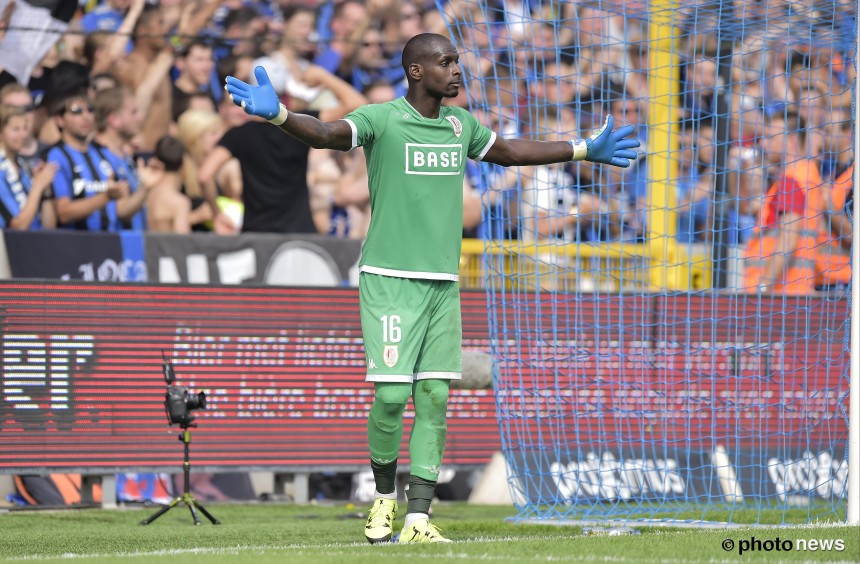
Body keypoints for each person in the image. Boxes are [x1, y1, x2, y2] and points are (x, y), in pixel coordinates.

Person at [224, 33, 638, 543]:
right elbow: (328, 133)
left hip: (443, 284)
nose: (457, 71)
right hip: (390, 280)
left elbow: (507, 151)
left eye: (457, 62)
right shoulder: (382, 118)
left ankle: (418, 518)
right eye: (446, 62)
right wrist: (281, 116)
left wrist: (580, 149)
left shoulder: (460, 126)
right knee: (394, 396)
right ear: (417, 71)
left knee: (436, 396)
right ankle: (382, 501)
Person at [0, 104, 57, 229]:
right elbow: (18, 226)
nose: (23, 135)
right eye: (16, 129)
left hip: (33, 245)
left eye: (25, 128)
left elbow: (49, 227)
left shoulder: (24, 167)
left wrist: (45, 190)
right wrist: (38, 187)